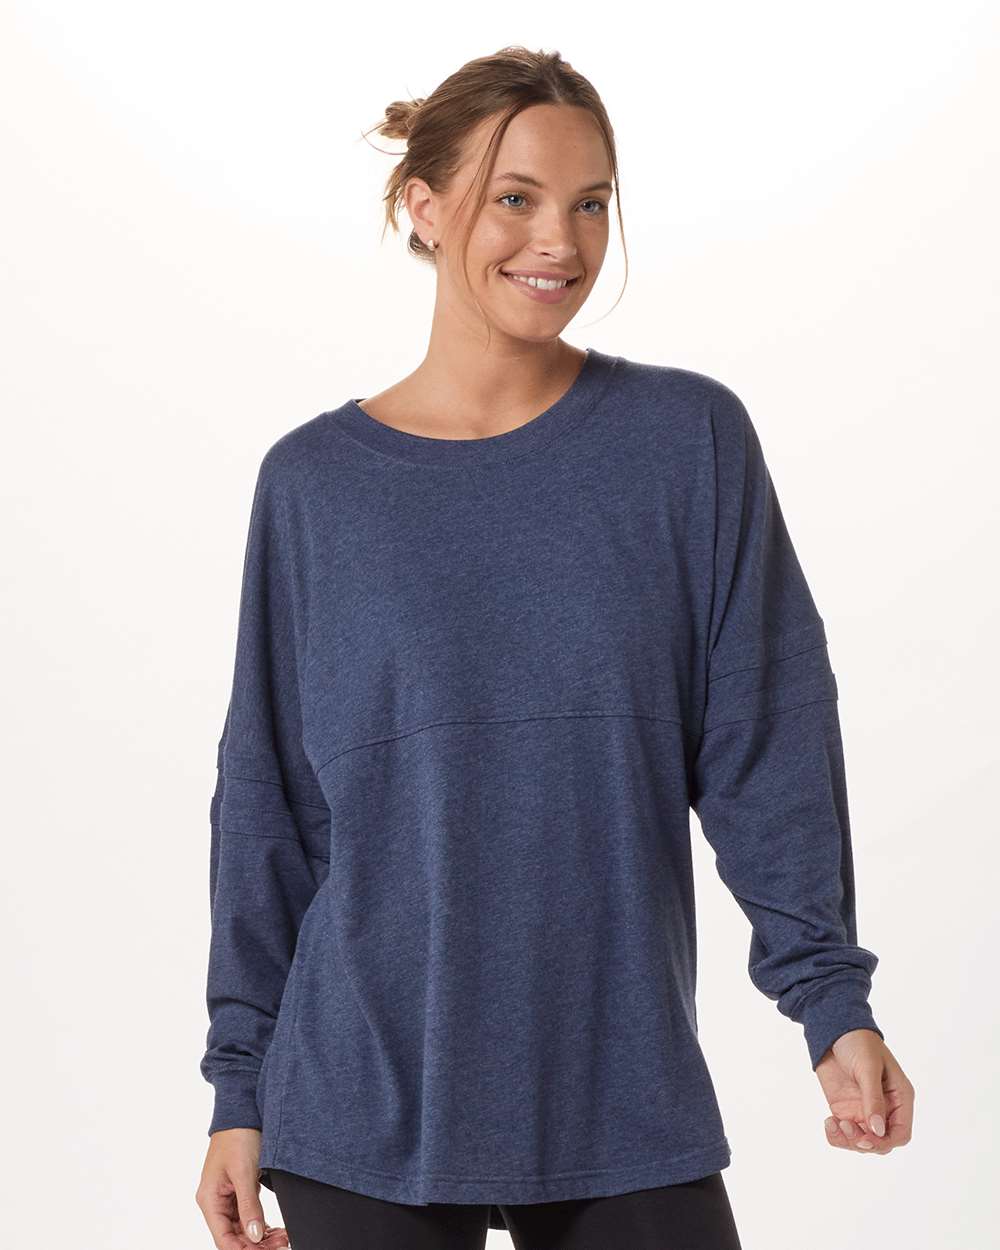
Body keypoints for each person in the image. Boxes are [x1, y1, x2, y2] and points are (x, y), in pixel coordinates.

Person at [194, 46, 914, 1250]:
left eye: (589, 204)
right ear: (423, 207)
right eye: (515, 197)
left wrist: (829, 1002)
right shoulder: (314, 486)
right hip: (360, 1093)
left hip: (618, 1078)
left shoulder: (686, 442)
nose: (560, 242)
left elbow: (766, 743)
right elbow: (269, 803)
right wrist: (238, 1084)